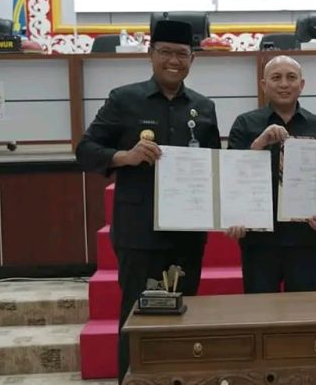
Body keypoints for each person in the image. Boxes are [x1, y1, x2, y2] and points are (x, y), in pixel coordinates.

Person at [75, 19, 220, 384]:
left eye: (182, 54)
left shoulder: (204, 107)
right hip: (139, 232)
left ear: (192, 59)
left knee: (185, 312)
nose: (174, 61)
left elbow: (214, 165)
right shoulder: (124, 99)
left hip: (187, 231)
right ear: (150, 54)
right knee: (138, 315)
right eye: (165, 52)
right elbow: (85, 150)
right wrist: (125, 157)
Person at [225, 55, 316, 294]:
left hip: (305, 239)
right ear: (264, 85)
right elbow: (232, 176)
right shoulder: (245, 124)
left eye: (291, 77)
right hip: (257, 240)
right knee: (260, 309)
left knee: (303, 310)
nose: (284, 84)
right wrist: (259, 143)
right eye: (276, 77)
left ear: (302, 85)